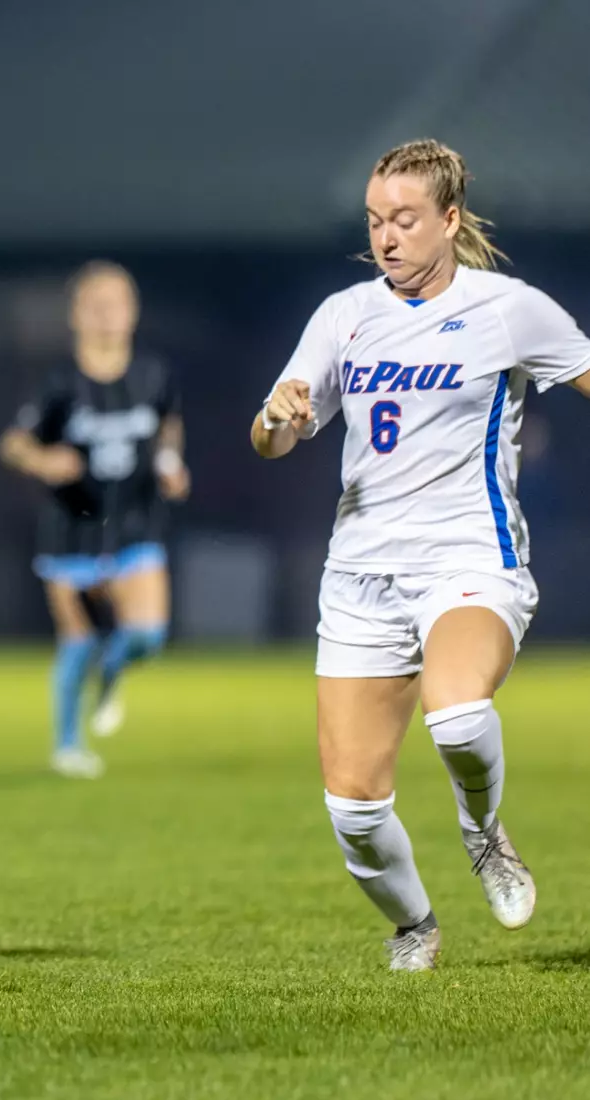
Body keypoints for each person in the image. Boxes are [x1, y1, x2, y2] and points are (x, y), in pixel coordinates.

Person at [253, 138, 590, 971]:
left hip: (471, 558)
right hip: (362, 577)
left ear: (448, 218)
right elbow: (271, 439)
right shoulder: (344, 316)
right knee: (354, 810)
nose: (387, 237)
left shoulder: (509, 308)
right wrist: (278, 415)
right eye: (375, 221)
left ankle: (483, 835)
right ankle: (415, 926)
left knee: (458, 710)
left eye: (404, 219)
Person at [0, 262, 189, 779]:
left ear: (133, 312)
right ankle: (67, 746)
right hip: (71, 526)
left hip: (135, 523)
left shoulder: (153, 375)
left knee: (147, 636)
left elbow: (169, 428)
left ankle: (112, 673)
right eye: (96, 305)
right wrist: (42, 461)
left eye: (117, 304)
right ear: (76, 315)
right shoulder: (59, 383)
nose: (108, 315)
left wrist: (171, 465)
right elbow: (13, 443)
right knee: (78, 640)